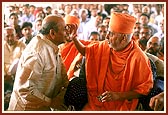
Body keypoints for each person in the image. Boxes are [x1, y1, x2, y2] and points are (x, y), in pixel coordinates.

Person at [71, 12, 153, 111]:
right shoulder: (105, 46)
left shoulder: (139, 58)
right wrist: (74, 37)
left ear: (123, 38)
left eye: (111, 34)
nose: (106, 37)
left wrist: (118, 96)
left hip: (122, 103)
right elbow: (86, 51)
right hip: (97, 100)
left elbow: (143, 90)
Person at [8, 14, 69, 111]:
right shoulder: (38, 51)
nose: (67, 32)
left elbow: (63, 78)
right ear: (52, 33)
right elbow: (24, 89)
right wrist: (51, 102)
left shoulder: (52, 45)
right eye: (64, 29)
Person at [4, 27, 26, 110]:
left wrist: (12, 75)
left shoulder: (22, 45)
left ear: (16, 35)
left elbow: (25, 64)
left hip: (17, 77)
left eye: (12, 36)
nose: (10, 38)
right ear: (3, 37)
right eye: (7, 36)